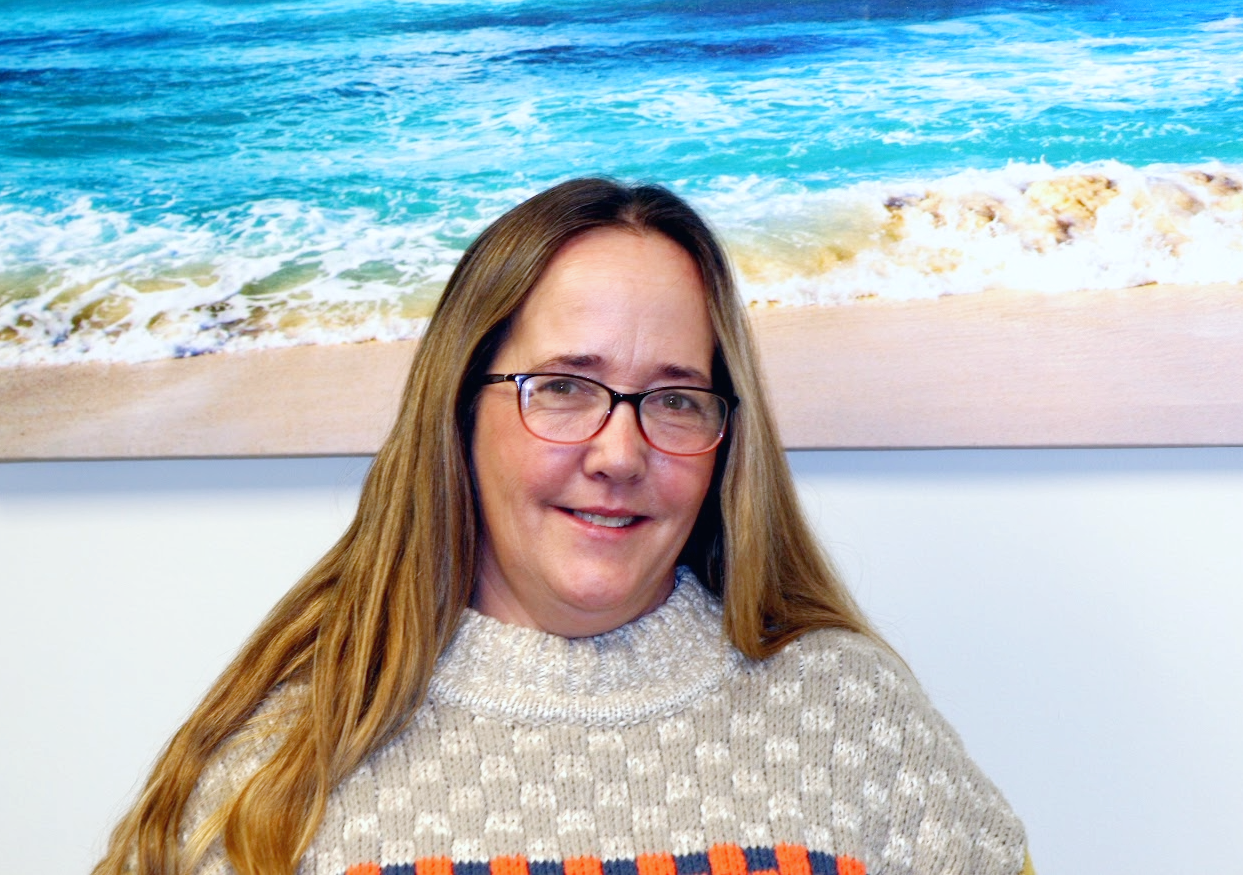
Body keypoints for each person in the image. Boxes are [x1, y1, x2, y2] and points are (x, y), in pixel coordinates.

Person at [94, 179, 1032, 875]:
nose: (619, 452)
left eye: (673, 398)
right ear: (458, 411)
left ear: (723, 438)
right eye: (565, 387)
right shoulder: (282, 760)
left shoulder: (847, 716)